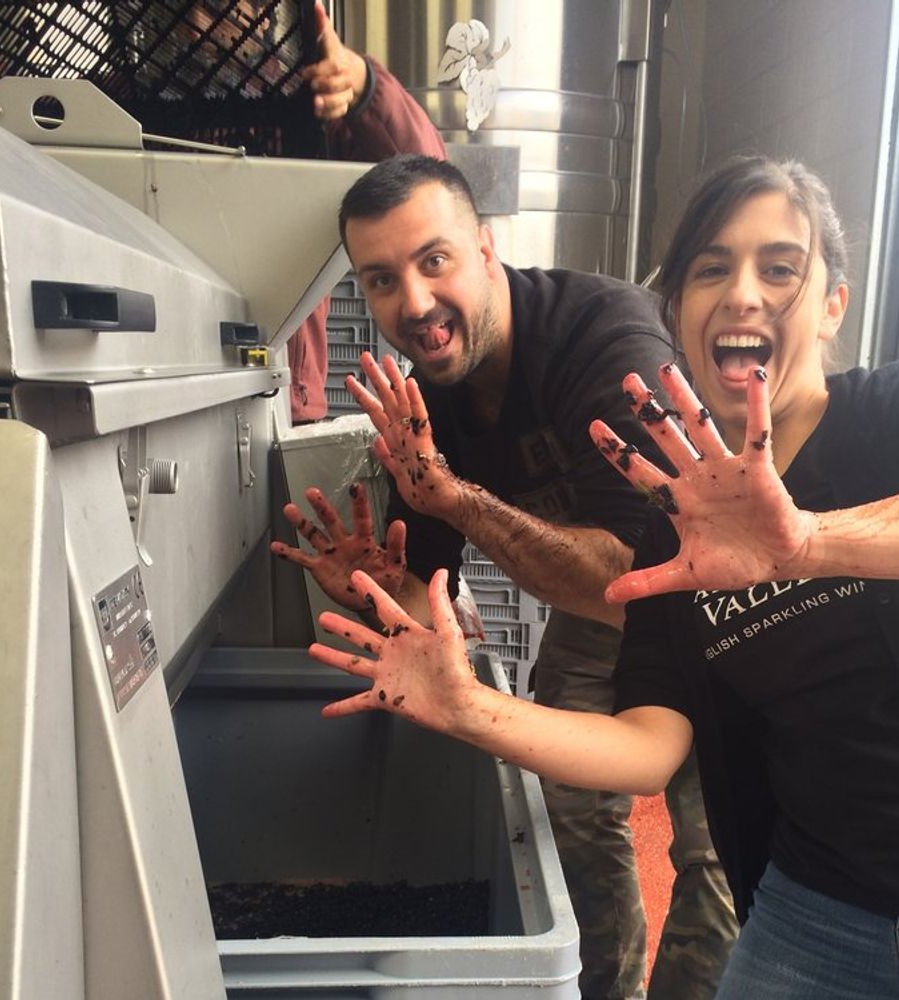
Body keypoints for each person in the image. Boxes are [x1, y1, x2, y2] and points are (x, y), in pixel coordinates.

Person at [304, 155, 899, 999]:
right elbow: (644, 748)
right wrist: (460, 697)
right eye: (711, 269)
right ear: (682, 313)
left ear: (831, 306)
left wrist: (810, 544)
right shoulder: (673, 523)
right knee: (589, 803)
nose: (742, 294)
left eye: (780, 268)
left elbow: (612, 571)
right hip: (820, 904)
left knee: (708, 851)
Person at [271, 155, 739, 998]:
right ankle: (602, 987)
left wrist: (457, 499)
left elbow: (627, 575)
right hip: (597, 616)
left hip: (719, 606)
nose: (415, 303)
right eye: (382, 280)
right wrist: (376, 589)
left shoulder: (604, 341)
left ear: (486, 250)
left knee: (718, 859)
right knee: (568, 812)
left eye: (434, 260)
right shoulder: (432, 399)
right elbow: (427, 603)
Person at [287, 1, 445, 423]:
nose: (199, 24)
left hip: (285, 398)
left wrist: (362, 87)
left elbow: (429, 176)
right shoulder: (130, 101)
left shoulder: (310, 104)